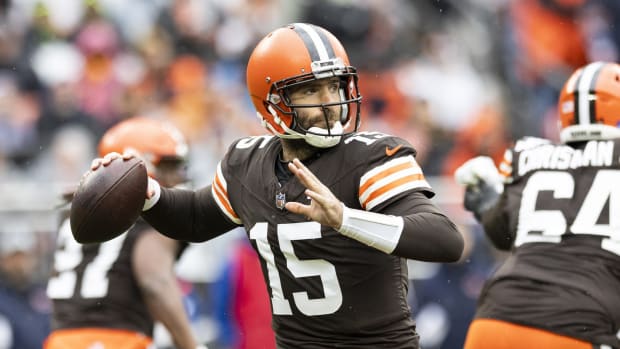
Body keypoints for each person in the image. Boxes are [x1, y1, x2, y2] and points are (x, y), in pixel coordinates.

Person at [94, 23, 464, 348]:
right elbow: (194, 219)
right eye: (310, 91)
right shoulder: (246, 164)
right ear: (271, 102)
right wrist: (148, 194)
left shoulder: (370, 157)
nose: (330, 103)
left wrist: (345, 220)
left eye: (335, 86)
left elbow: (445, 238)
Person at [454, 61, 620, 349]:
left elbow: (502, 234)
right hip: (579, 326)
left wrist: (487, 205)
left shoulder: (529, 155)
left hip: (495, 320)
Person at [45, 116, 206, 349]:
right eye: (168, 166)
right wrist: (191, 345)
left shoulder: (74, 211)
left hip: (60, 340)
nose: (177, 177)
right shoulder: (148, 213)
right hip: (120, 340)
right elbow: (154, 282)